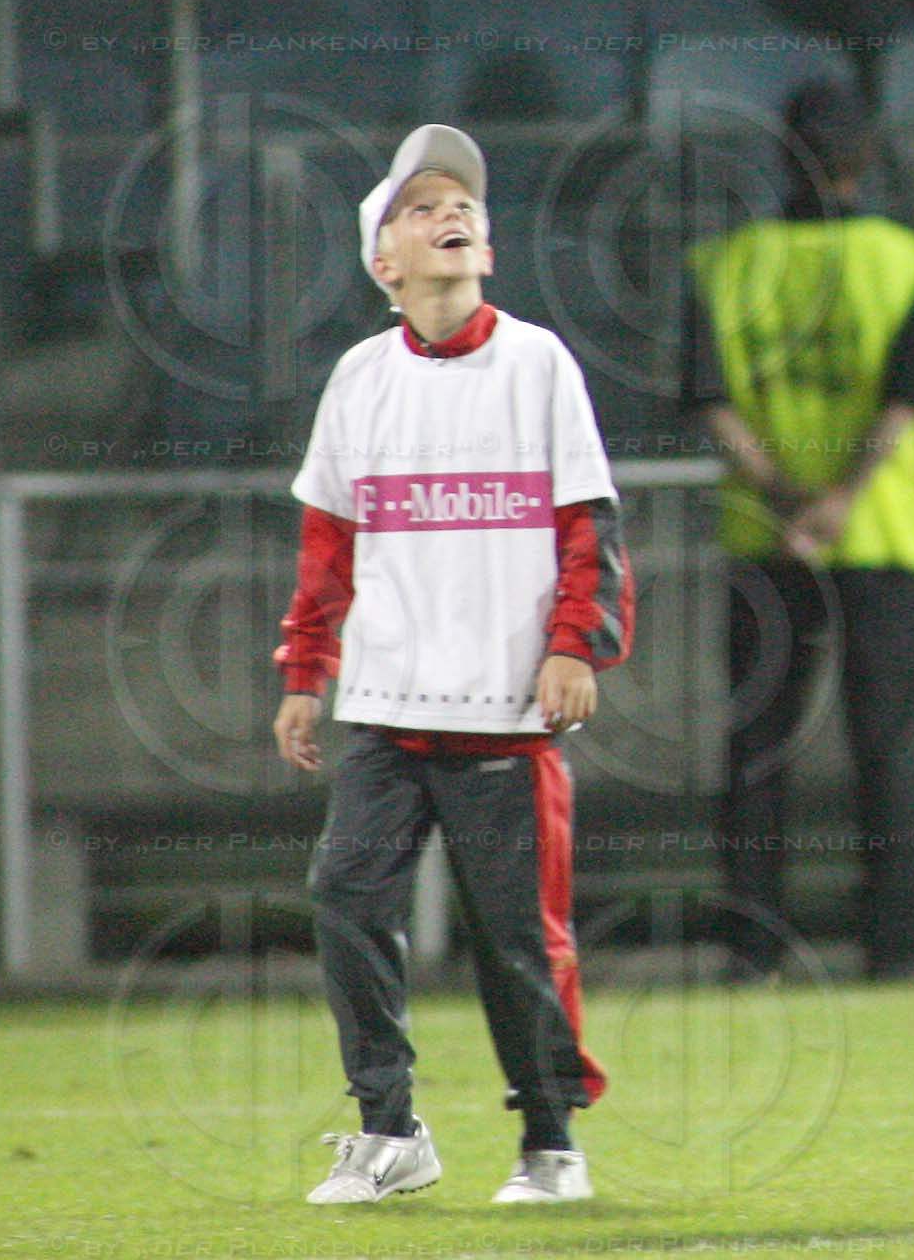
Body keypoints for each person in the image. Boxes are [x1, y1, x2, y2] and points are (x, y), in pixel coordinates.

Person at [271, 125, 636, 1207]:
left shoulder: (538, 363)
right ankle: (389, 1127)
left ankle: (551, 1145)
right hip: (386, 709)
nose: (450, 215)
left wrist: (577, 643)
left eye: (461, 204)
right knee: (344, 891)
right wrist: (306, 671)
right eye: (420, 207)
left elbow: (590, 527)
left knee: (517, 934)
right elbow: (327, 543)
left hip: (507, 712)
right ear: (382, 261)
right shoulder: (360, 377)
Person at [686, 78, 914, 981]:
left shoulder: (725, 263)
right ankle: (898, 949)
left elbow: (710, 399)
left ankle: (752, 948)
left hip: (764, 540)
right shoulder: (905, 258)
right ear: (864, 157)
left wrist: (785, 495)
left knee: (757, 750)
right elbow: (912, 395)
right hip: (881, 536)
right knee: (890, 748)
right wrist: (840, 500)